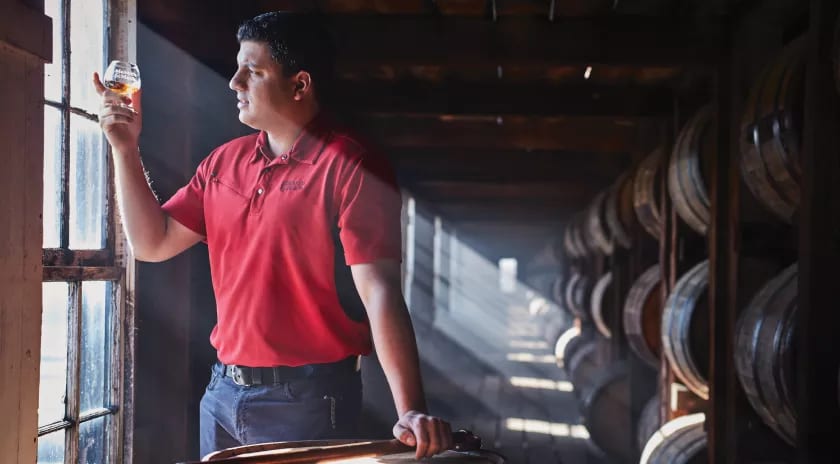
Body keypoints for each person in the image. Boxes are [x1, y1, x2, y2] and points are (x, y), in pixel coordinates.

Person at [92, 11, 452, 460]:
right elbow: (153, 242)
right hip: (222, 393)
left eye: (253, 71)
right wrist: (125, 148)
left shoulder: (351, 165)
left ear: (300, 85)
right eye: (237, 67)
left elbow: (379, 291)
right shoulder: (222, 163)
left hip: (308, 400)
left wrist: (411, 410)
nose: (234, 82)